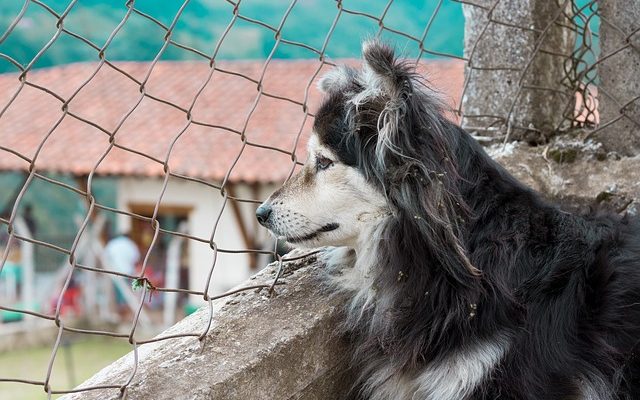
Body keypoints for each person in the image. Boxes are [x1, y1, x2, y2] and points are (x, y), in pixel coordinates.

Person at [104, 232, 140, 320]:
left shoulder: (112, 244)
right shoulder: (131, 244)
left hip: (115, 272)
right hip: (128, 272)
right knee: (128, 295)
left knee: (117, 296)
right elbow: (136, 258)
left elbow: (105, 257)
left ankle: (119, 314)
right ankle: (127, 314)